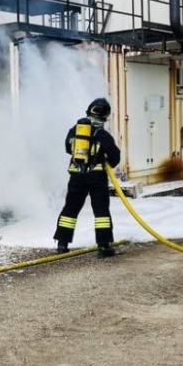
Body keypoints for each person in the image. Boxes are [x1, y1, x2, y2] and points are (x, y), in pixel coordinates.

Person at [53, 98, 122, 257]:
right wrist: (103, 159)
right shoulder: (102, 134)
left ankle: (62, 244)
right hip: (96, 178)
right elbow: (115, 157)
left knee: (70, 209)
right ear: (105, 116)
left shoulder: (75, 130)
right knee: (101, 211)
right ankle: (104, 247)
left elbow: (67, 148)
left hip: (76, 176)